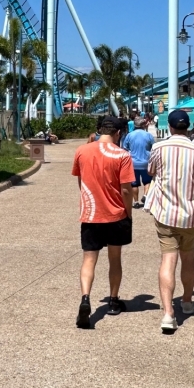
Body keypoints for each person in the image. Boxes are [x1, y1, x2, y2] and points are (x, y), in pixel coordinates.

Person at [144, 108, 194, 333]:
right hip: (192, 215)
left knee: (168, 259)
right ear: (188, 127)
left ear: (169, 127)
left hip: (165, 214)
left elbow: (151, 172)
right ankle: (187, 301)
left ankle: (169, 314)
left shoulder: (159, 148)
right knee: (188, 257)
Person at [71, 115, 134, 328]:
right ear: (118, 133)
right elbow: (126, 189)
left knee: (89, 259)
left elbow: (81, 182)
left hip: (91, 214)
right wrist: (128, 212)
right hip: (115, 214)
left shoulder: (82, 151)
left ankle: (85, 298)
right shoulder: (122, 155)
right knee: (114, 259)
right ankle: (114, 301)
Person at [123, 116, 155, 207]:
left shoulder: (130, 135)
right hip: (146, 162)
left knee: (134, 184)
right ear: (143, 125)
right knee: (147, 182)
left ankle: (136, 202)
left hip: (133, 163)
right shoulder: (148, 135)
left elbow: (125, 148)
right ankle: (145, 195)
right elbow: (154, 147)